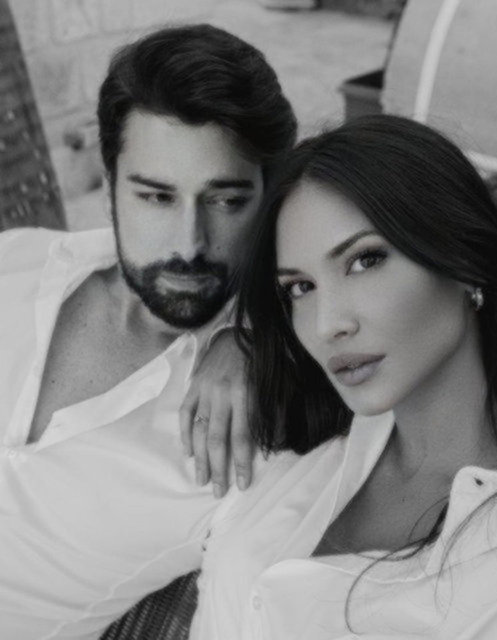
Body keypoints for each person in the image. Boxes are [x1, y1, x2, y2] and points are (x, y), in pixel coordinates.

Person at [0, 24, 296, 639]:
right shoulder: (17, 260)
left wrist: (253, 330)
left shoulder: (239, 438)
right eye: (157, 197)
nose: (189, 244)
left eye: (224, 200)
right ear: (109, 183)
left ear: (270, 201)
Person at [199, 114, 497, 639]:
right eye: (300, 288)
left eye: (365, 260)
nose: (327, 326)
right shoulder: (294, 439)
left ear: (464, 260)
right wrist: (233, 340)